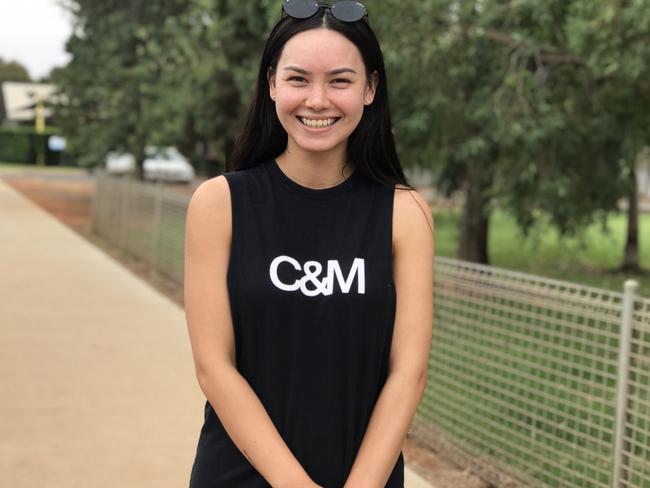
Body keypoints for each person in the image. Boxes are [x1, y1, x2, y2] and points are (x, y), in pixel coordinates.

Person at [183, 1, 434, 486]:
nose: (317, 100)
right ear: (272, 84)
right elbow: (215, 368)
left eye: (339, 80)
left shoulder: (404, 213)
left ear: (370, 89)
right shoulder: (219, 204)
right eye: (298, 79)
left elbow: (409, 374)